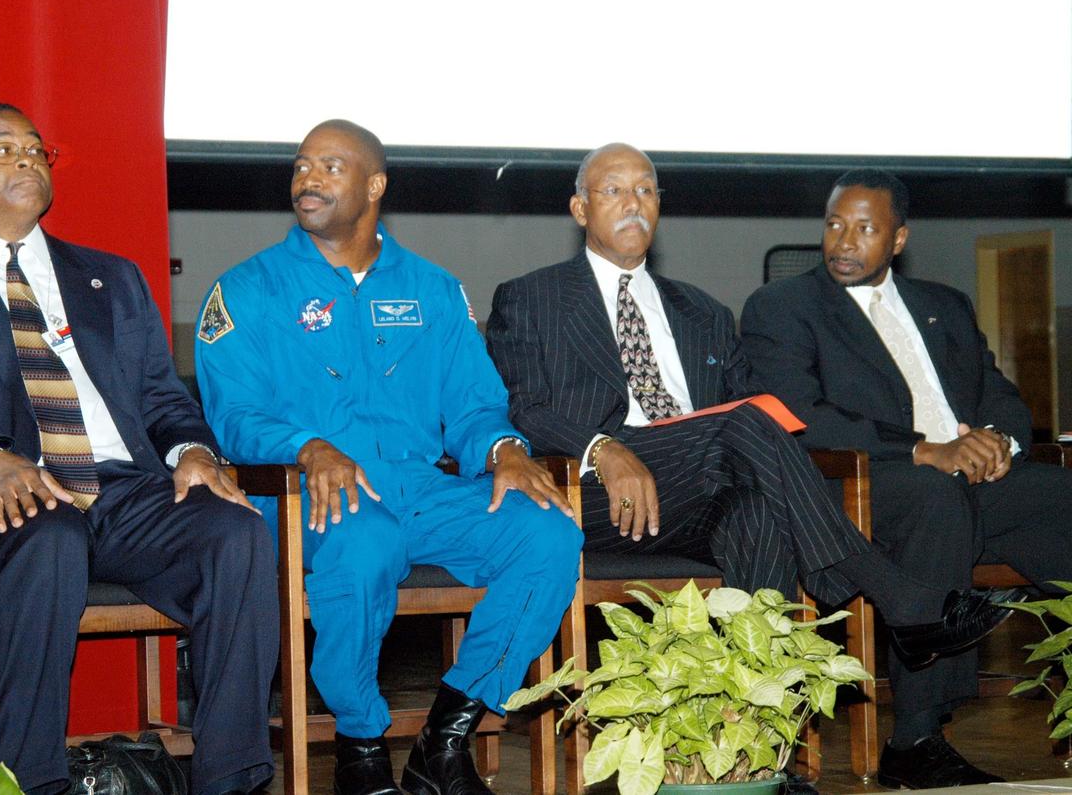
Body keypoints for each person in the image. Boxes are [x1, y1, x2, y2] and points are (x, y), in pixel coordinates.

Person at [0, 103, 278, 795]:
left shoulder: (110, 277)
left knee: (235, 531)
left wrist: (193, 450)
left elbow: (162, 400)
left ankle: (232, 779)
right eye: (3, 147)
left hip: (123, 492)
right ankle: (28, 779)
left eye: (35, 148)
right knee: (48, 532)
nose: (26, 158)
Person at [485, 143, 1017, 687]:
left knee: (757, 514)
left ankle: (759, 743)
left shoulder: (705, 312)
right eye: (614, 190)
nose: (633, 204)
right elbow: (526, 408)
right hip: (599, 493)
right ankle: (896, 595)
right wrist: (604, 447)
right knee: (739, 423)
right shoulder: (532, 298)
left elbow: (765, 415)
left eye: (646, 190)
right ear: (580, 209)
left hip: (702, 490)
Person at [193, 119, 583, 795]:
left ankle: (447, 735)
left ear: (374, 185)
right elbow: (233, 417)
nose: (307, 179)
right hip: (308, 492)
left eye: (329, 167)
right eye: (300, 166)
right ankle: (360, 746)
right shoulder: (248, 289)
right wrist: (306, 446)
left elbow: (473, 403)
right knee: (363, 544)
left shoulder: (431, 288)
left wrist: (505, 448)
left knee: (548, 529)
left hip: (420, 487)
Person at [740, 168, 1072, 788]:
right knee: (935, 498)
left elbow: (998, 394)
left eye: (865, 228)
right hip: (863, 486)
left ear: (897, 239)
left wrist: (998, 441)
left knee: (1058, 497)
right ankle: (916, 737)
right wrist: (925, 450)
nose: (843, 242)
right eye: (835, 225)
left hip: (967, 479)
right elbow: (799, 416)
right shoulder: (781, 307)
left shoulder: (944, 305)